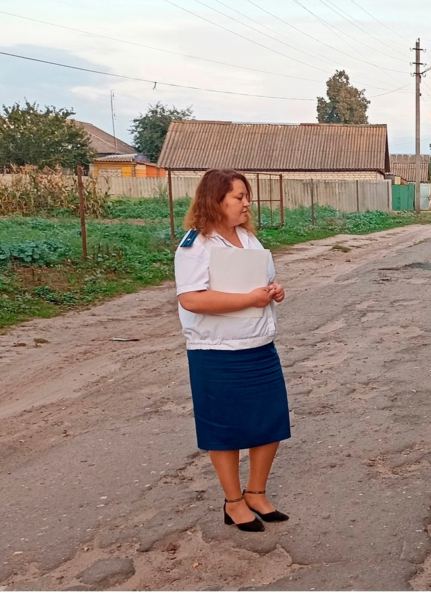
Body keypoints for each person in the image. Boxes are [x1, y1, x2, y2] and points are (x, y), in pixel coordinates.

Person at [174, 168, 290, 532]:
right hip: (216, 352)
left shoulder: (248, 240)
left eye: (246, 197)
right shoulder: (196, 245)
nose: (246, 204)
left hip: (259, 346)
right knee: (224, 429)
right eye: (238, 197)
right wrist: (247, 299)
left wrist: (273, 291)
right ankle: (234, 501)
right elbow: (191, 299)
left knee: (269, 423)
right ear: (215, 200)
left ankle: (256, 492)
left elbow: (261, 282)